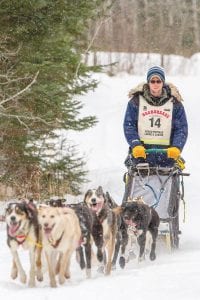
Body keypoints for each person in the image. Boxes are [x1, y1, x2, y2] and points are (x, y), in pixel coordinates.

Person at [123, 66, 188, 168]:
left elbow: (181, 128)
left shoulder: (175, 103)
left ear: (163, 82)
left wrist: (177, 147)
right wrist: (135, 144)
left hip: (167, 156)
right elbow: (129, 125)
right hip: (141, 155)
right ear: (148, 82)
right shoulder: (136, 101)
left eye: (158, 81)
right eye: (152, 81)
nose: (155, 84)